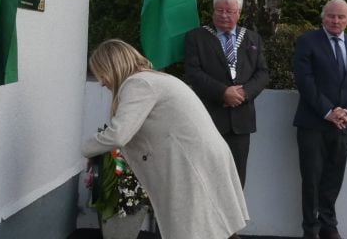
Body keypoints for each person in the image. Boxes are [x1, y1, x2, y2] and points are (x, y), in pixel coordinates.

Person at [81, 39, 248, 239]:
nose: (101, 82)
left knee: (198, 232)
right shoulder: (153, 79)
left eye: (101, 73)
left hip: (190, 164)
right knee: (218, 230)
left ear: (113, 67)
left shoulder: (138, 84)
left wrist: (87, 148)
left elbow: (118, 134)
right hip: (199, 159)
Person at [293, 0, 347, 239]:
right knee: (312, 179)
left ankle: (328, 225)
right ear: (323, 17)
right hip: (313, 124)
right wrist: (329, 112)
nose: (336, 21)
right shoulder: (307, 41)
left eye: (341, 17)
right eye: (331, 16)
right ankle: (310, 229)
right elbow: (305, 81)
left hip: (344, 125)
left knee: (334, 178)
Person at [184, 0, 270, 188]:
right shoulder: (197, 37)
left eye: (229, 11)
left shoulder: (252, 38)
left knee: (236, 180)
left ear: (238, 13)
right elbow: (193, 73)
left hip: (241, 122)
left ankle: (233, 220)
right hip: (209, 118)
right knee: (206, 177)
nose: (223, 15)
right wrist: (223, 93)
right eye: (219, 10)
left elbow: (263, 73)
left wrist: (244, 93)